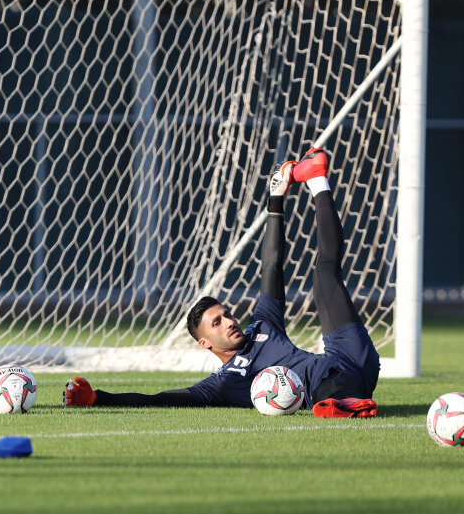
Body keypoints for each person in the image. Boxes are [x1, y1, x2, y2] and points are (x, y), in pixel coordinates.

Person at [63, 147, 380, 418]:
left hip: (350, 357)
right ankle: (344, 404)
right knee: (324, 390)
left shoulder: (263, 323)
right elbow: (161, 399)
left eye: (226, 314)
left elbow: (271, 265)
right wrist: (97, 398)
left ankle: (317, 178)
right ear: (205, 343)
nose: (229, 321)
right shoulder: (225, 382)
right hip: (330, 388)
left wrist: (276, 199)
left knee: (325, 274)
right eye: (216, 322)